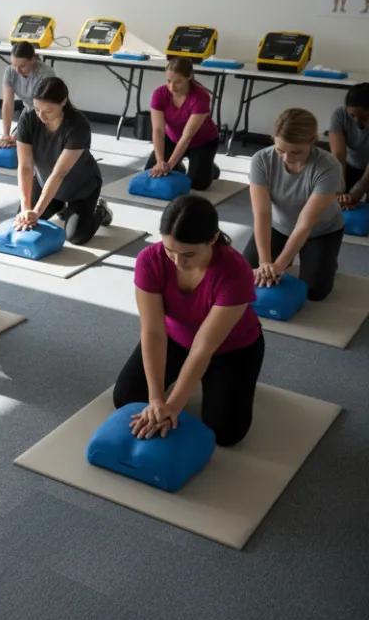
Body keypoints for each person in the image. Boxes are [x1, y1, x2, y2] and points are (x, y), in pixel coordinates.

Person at [112, 195, 264, 447]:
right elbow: (152, 332)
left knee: (225, 433)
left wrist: (173, 405)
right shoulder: (150, 260)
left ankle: (222, 382)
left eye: (189, 254)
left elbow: (203, 348)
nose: (178, 262)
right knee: (127, 399)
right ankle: (193, 381)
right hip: (175, 338)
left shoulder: (235, 272)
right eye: (170, 250)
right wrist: (156, 400)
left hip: (232, 349)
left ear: (213, 239)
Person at [243, 108, 344, 301]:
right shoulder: (261, 160)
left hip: (320, 231)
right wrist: (265, 262)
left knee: (314, 292)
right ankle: (284, 256)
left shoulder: (329, 166)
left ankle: (325, 260)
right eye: (280, 150)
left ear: (312, 141)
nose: (287, 158)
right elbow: (262, 214)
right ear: (274, 138)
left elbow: (305, 224)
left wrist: (279, 266)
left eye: (296, 151)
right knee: (249, 271)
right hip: (279, 226)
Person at [14, 77, 112, 245]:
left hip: (80, 187)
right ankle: (60, 206)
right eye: (37, 109)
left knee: (75, 236)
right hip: (45, 182)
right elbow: (25, 167)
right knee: (23, 220)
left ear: (64, 102)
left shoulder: (78, 125)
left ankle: (101, 210)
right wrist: (26, 209)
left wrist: (37, 212)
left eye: (48, 110)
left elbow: (59, 174)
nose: (41, 116)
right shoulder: (28, 119)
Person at [144, 58, 221, 191]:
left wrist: (169, 166)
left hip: (202, 142)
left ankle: (210, 168)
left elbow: (187, 136)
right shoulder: (159, 94)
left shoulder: (201, 96)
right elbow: (158, 130)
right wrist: (160, 162)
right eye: (168, 81)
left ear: (190, 76)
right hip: (173, 138)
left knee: (197, 184)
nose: (172, 87)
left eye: (177, 82)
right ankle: (180, 166)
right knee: (151, 171)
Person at [0, 41, 54, 148]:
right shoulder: (10, 72)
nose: (17, 70)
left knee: (29, 145)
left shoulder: (45, 74)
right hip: (28, 113)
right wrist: (6, 135)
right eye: (14, 65)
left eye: (22, 66)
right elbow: (7, 104)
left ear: (33, 60)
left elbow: (42, 109)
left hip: (46, 115)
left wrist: (17, 135)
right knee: (15, 141)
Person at [327, 82, 369, 207]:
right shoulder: (339, 115)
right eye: (352, 116)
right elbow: (338, 154)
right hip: (351, 165)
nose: (357, 121)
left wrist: (358, 191)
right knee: (334, 202)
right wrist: (339, 189)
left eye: (364, 117)